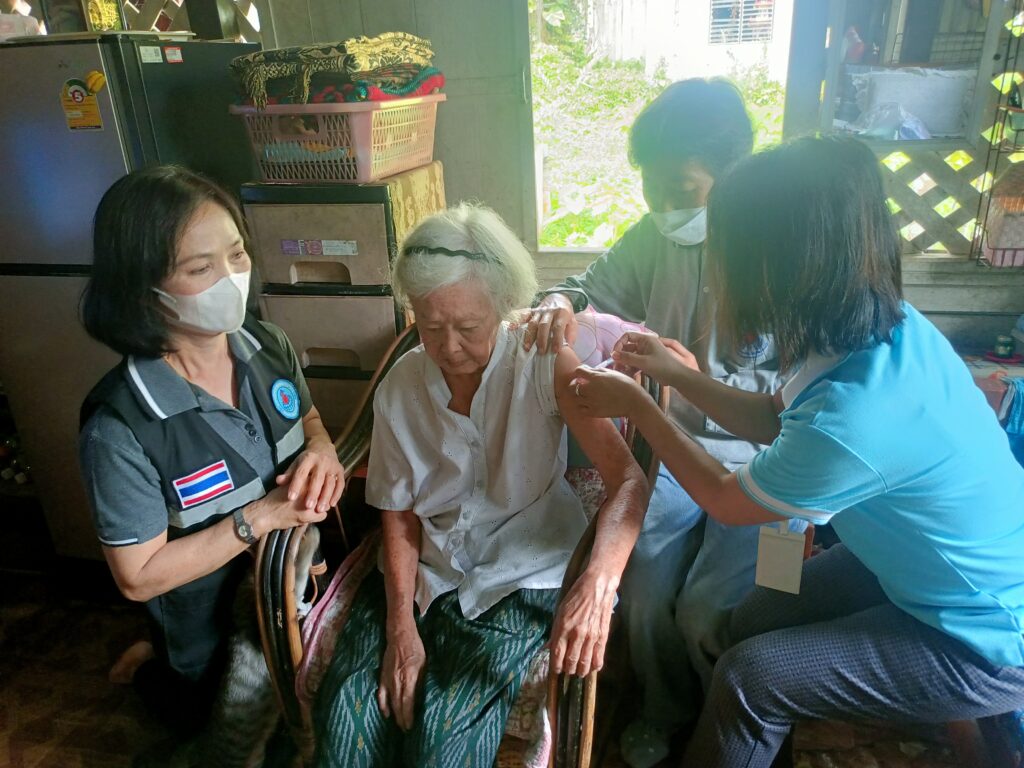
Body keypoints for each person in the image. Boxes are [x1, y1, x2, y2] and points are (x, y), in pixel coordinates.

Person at [570, 136, 1024, 767]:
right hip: (917, 564)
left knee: (752, 675)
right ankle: (731, 732)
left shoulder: (856, 410)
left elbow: (727, 501)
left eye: (725, 256)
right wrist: (673, 376)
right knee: (751, 617)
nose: (716, 273)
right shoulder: (872, 328)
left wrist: (643, 408)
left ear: (776, 266)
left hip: (986, 638)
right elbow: (774, 416)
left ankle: (741, 727)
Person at [312, 204, 648, 768]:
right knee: (350, 711)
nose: (448, 347)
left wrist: (598, 582)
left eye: (467, 328)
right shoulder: (400, 386)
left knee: (444, 740)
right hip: (428, 567)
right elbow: (399, 512)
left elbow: (628, 481)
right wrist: (400, 627)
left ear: (502, 306)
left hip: (523, 569)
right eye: (430, 327)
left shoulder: (542, 362)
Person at [525, 77, 789, 766]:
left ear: (734, 178)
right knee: (641, 583)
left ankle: (732, 721)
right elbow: (587, 289)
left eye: (683, 190)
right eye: (652, 187)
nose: (665, 207)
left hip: (775, 467)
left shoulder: (781, 253)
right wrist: (559, 300)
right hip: (674, 446)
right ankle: (663, 709)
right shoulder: (655, 239)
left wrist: (688, 378)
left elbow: (796, 406)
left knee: (723, 606)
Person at [78, 166, 345, 740]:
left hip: (295, 594)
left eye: (237, 255)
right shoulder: (121, 426)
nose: (231, 279)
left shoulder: (267, 345)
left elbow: (309, 419)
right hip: (210, 642)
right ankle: (150, 664)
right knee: (210, 729)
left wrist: (323, 450)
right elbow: (138, 577)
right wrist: (260, 518)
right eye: (201, 269)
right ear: (140, 289)